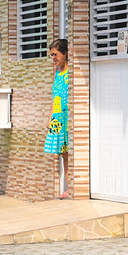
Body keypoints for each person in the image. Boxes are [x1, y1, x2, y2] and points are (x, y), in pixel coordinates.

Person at [45, 38, 70, 199]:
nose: (53, 58)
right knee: (62, 153)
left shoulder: (70, 71)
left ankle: (72, 187)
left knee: (69, 152)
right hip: (57, 118)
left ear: (65, 53)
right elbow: (55, 98)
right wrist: (50, 118)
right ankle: (69, 187)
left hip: (68, 117)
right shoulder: (57, 72)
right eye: (51, 55)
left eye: (55, 54)